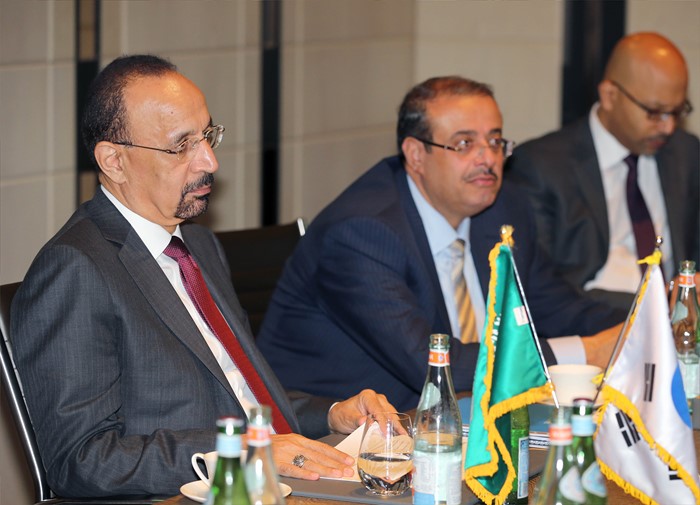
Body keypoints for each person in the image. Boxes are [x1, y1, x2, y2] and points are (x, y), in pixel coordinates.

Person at [10, 54, 396, 499]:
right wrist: (244, 451)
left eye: (208, 136)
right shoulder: (75, 268)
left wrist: (331, 414)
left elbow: (239, 394)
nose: (209, 161)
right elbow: (80, 460)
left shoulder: (199, 245)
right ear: (114, 161)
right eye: (182, 146)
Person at [256, 76, 626, 412]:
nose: (488, 159)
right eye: (465, 143)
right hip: (346, 434)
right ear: (416, 154)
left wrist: (636, 327)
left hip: (463, 419)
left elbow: (556, 307)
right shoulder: (361, 234)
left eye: (495, 141)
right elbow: (432, 366)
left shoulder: (503, 208)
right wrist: (586, 352)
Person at [506, 32, 699, 311]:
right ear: (610, 96)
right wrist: (657, 305)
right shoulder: (542, 167)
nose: (668, 127)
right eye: (654, 112)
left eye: (677, 112)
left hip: (677, 321)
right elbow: (543, 291)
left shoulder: (684, 153)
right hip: (591, 325)